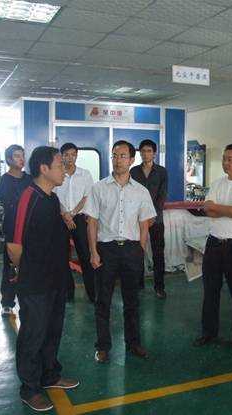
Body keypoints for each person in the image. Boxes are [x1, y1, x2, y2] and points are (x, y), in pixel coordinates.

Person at [7, 146, 79, 412]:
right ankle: (30, 388)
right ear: (44, 169)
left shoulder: (52, 199)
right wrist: (27, 272)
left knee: (52, 330)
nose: (64, 170)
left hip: (56, 279)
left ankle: (50, 375)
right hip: (35, 283)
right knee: (33, 334)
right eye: (60, 166)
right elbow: (14, 246)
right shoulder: (28, 198)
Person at [85, 140, 156, 363]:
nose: (118, 160)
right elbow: (92, 222)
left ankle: (133, 343)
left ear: (132, 160)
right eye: (114, 156)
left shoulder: (141, 191)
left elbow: (144, 224)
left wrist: (140, 250)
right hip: (106, 249)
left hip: (132, 249)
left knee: (132, 301)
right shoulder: (98, 188)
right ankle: (103, 346)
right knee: (103, 300)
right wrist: (93, 252)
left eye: (123, 156)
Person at [193, 144, 232, 356]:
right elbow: (209, 210)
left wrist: (226, 210)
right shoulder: (217, 183)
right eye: (224, 159)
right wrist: (231, 211)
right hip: (214, 244)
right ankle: (209, 333)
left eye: (230, 159)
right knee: (210, 292)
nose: (225, 163)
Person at [54, 142, 95, 302]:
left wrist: (72, 214)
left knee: (85, 255)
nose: (70, 158)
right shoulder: (57, 173)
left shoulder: (85, 174)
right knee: (62, 257)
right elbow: (54, 196)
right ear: (61, 156)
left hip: (79, 218)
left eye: (73, 154)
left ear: (77, 156)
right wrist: (65, 214)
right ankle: (68, 292)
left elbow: (87, 197)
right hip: (61, 218)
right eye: (66, 155)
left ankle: (92, 293)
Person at [0, 144, 32, 315]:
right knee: (11, 266)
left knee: (30, 265)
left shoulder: (30, 179)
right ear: (9, 159)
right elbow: (10, 203)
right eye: (17, 156)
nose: (21, 159)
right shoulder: (4, 181)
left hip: (30, 229)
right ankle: (7, 302)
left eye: (23, 155)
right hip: (12, 229)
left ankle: (29, 300)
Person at [130, 139, 168, 299]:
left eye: (149, 151)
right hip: (137, 219)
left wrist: (152, 215)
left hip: (156, 220)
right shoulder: (133, 172)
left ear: (154, 153)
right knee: (137, 251)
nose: (146, 154)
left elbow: (162, 195)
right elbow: (131, 194)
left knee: (158, 253)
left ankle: (159, 287)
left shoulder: (161, 172)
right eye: (143, 151)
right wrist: (140, 216)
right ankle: (138, 284)